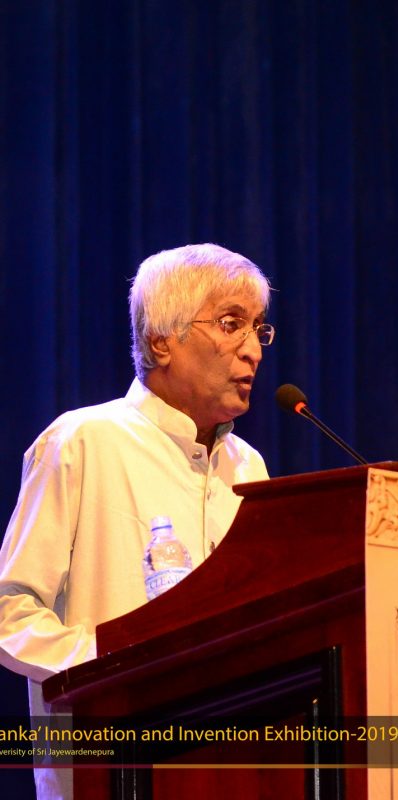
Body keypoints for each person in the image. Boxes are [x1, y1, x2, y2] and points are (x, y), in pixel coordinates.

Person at [0, 243, 273, 799]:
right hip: (110, 769)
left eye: (258, 329)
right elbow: (10, 610)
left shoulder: (249, 468)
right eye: (230, 324)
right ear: (160, 341)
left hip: (229, 771)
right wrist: (112, 666)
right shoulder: (82, 442)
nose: (252, 351)